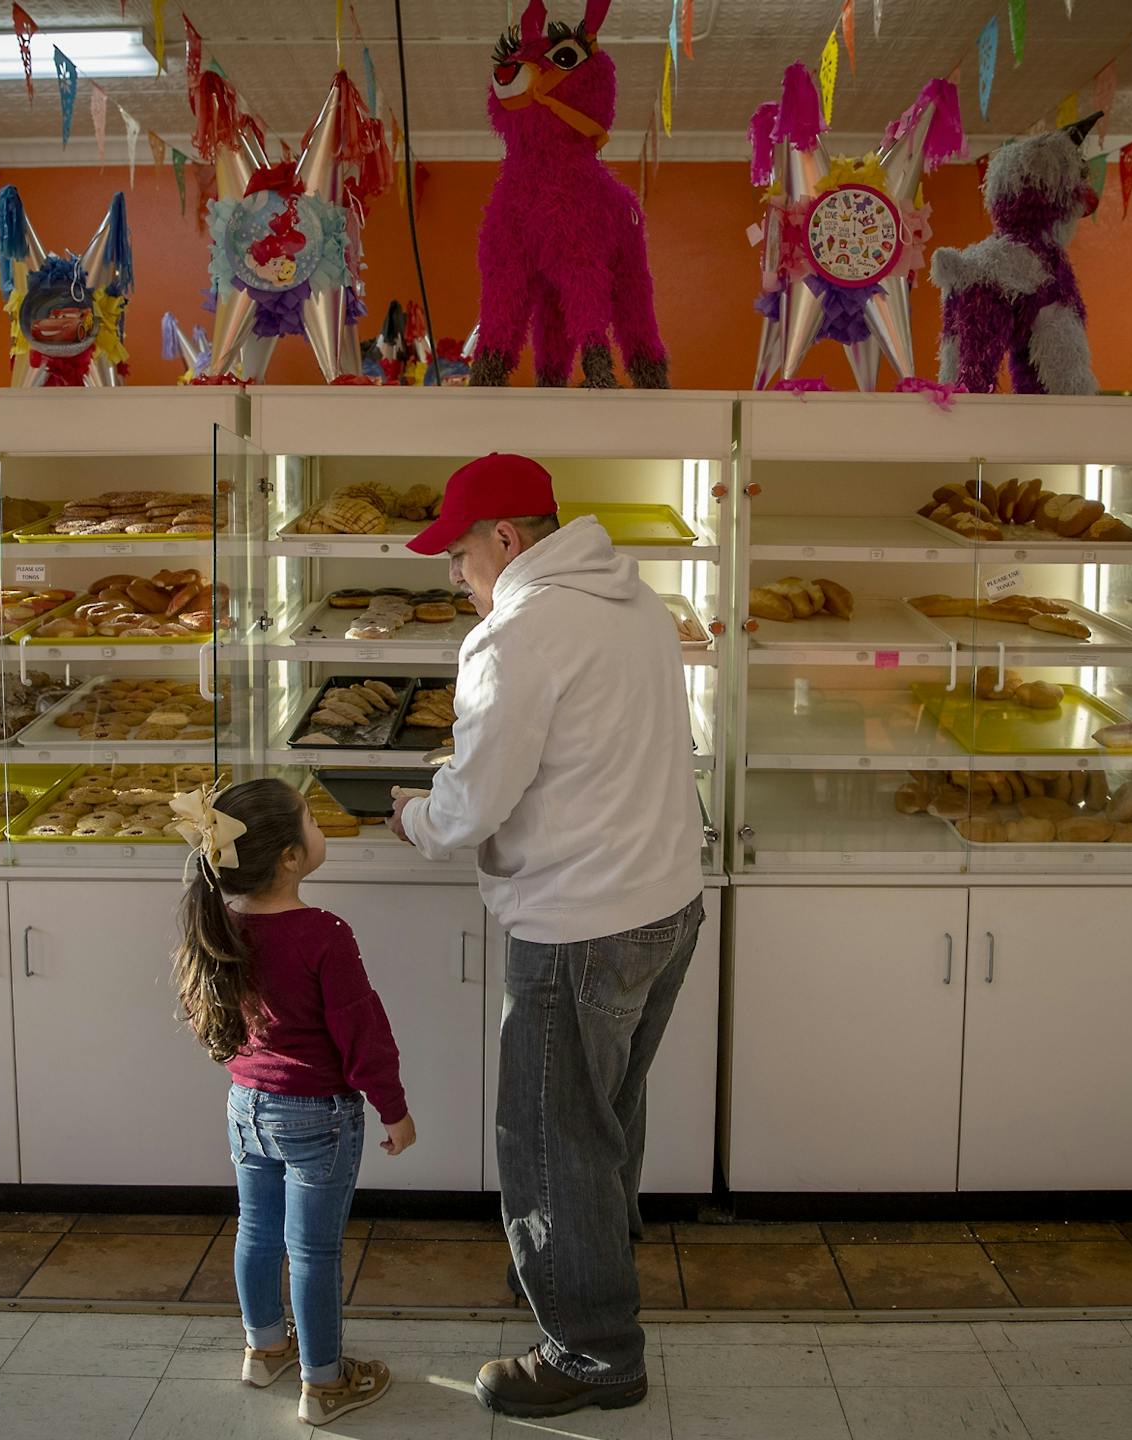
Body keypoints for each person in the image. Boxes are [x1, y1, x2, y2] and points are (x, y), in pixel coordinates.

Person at [387, 453, 705, 1419]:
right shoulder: (636, 602)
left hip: (581, 922)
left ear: (507, 540)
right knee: (601, 1123)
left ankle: (593, 1350)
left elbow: (471, 808)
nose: (453, 572)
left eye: (458, 552)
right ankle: (579, 1271)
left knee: (548, 1138)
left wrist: (413, 813)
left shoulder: (518, 633)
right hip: (664, 905)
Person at [170, 779, 417, 1428]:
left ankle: (265, 1348)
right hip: (319, 1116)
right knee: (312, 1253)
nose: (319, 827)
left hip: (246, 1105)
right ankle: (325, 1383)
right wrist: (393, 1108)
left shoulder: (220, 922)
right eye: (311, 820)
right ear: (288, 856)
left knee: (256, 1233)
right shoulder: (324, 934)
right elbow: (363, 1034)